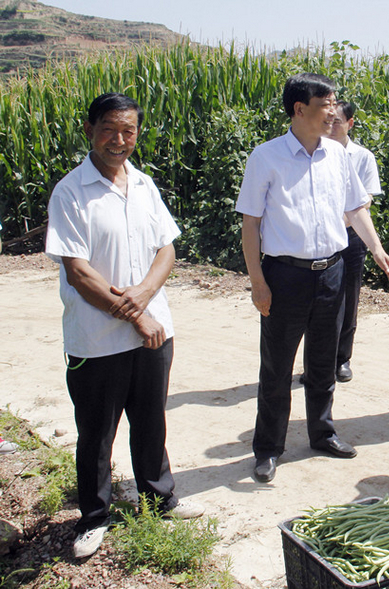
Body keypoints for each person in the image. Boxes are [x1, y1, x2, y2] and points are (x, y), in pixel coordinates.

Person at [45, 93, 204, 560]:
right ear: (90, 130)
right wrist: (137, 314)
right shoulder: (71, 192)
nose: (119, 140)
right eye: (109, 130)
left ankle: (159, 498)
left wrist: (145, 294)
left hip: (153, 331)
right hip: (97, 339)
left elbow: (166, 249)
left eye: (128, 131)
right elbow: (79, 272)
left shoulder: (144, 185)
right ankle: (94, 518)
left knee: (151, 420)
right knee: (97, 432)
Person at [236, 73, 389, 484]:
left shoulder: (338, 155)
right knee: (277, 367)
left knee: (324, 361)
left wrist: (377, 249)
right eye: (326, 104)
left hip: (332, 272)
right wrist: (258, 281)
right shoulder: (267, 157)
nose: (333, 111)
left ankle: (322, 433)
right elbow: (251, 223)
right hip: (284, 275)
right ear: (299, 109)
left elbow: (356, 208)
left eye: (333, 104)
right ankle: (268, 448)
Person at [328, 100, 382, 382]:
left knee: (348, 298)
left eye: (337, 122)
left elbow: (366, 199)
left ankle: (342, 359)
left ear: (350, 124)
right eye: (328, 120)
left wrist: (344, 220)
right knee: (319, 301)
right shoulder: (316, 151)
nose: (331, 126)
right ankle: (318, 362)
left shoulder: (362, 157)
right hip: (323, 235)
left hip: (352, 234)